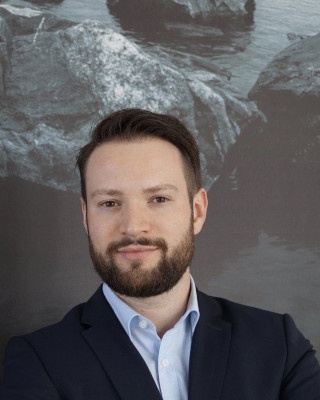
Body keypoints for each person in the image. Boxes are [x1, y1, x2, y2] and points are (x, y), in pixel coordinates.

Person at [1, 108, 320, 399]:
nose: (133, 226)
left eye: (158, 199)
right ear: (86, 218)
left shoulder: (279, 346)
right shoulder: (36, 361)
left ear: (197, 211)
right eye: (110, 203)